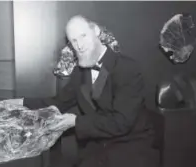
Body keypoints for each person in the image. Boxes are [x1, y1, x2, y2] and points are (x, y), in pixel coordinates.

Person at [22, 15, 159, 167]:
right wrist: (20, 103)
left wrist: (75, 121)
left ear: (96, 31)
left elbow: (121, 122)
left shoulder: (128, 69)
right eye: (74, 40)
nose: (79, 45)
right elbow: (58, 102)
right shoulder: (80, 73)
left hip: (131, 149)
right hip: (97, 149)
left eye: (83, 36)